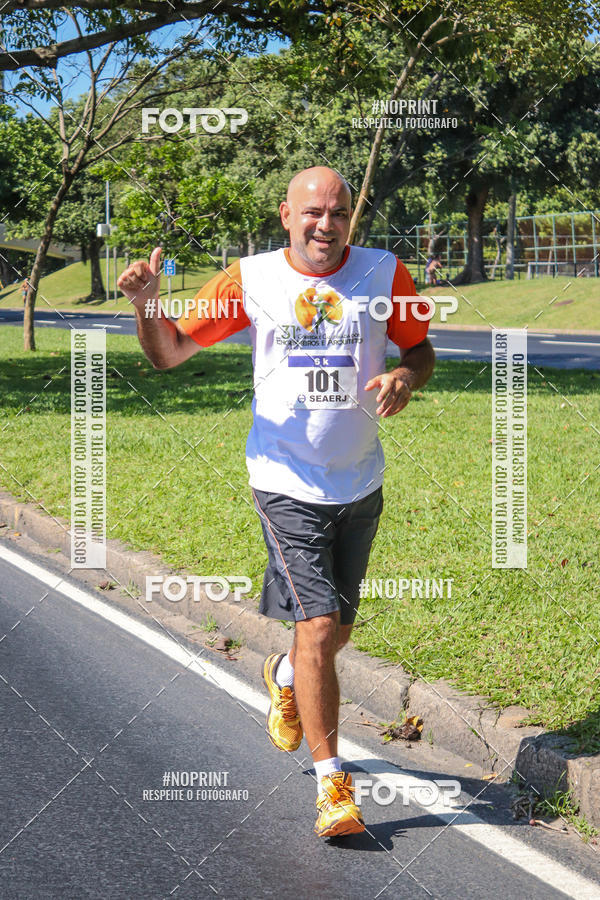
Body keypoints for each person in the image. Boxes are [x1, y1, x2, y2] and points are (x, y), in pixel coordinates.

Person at [117, 166, 435, 839]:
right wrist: (148, 305)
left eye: (340, 212)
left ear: (352, 217)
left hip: (360, 482)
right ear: (286, 215)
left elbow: (420, 347)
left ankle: (284, 675)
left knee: (335, 633)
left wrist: (406, 375)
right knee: (319, 627)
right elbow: (168, 354)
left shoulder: (385, 274)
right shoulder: (251, 281)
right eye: (314, 211)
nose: (327, 224)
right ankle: (333, 789)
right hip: (284, 483)